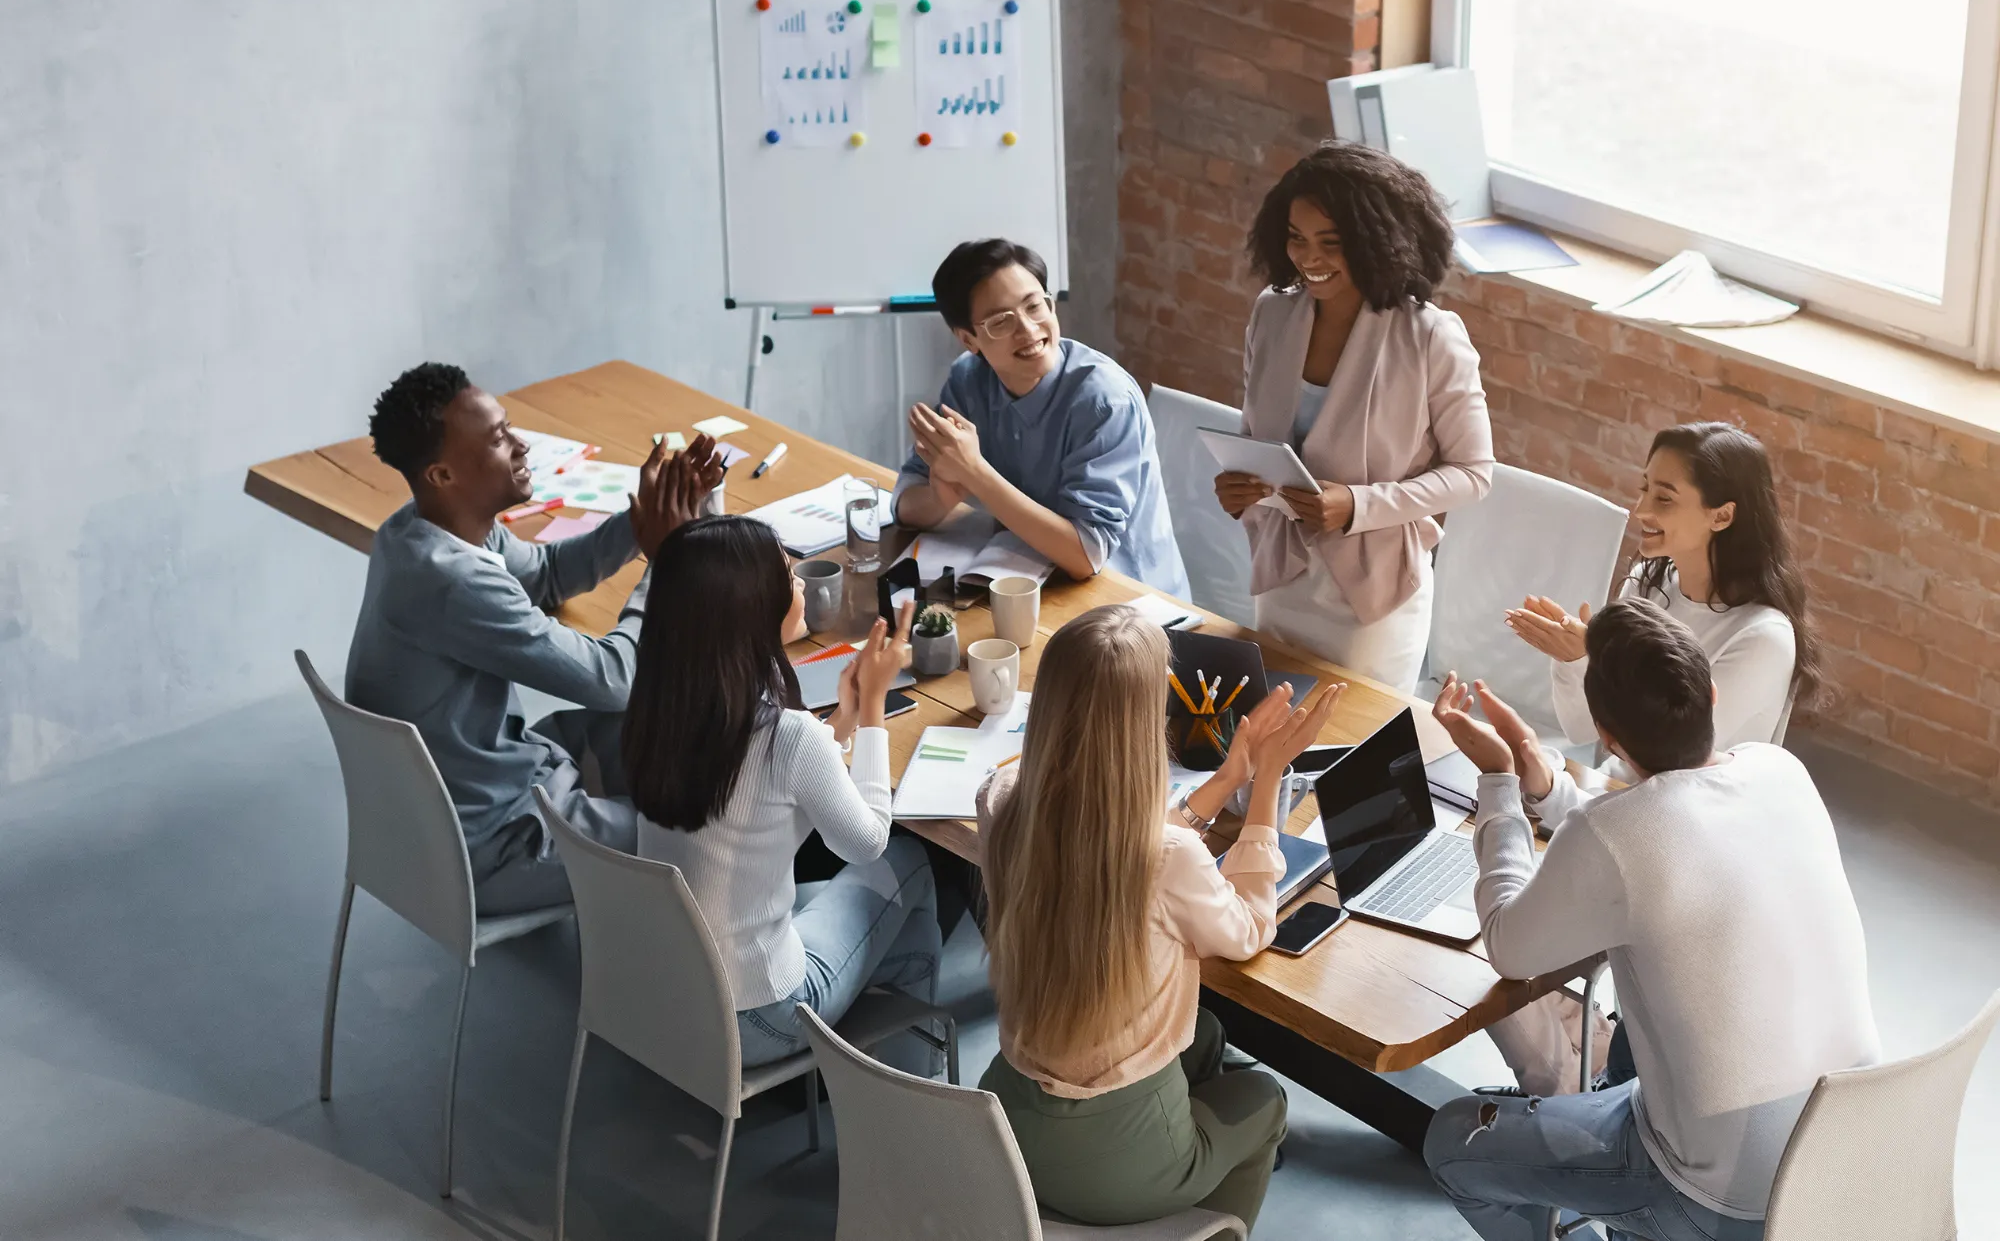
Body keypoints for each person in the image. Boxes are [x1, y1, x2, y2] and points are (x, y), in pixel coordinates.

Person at [1423, 600, 1879, 1241]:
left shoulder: (1615, 836)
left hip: (1718, 1198)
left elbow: (1508, 944)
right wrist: (1541, 777)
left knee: (1450, 1138)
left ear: (1606, 736)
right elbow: (1662, 837)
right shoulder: (1781, 771)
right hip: (1838, 1161)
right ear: (1712, 696)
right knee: (1638, 1046)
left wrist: (1499, 781)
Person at [977, 604, 1340, 1230]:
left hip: (1003, 1121)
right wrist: (1268, 784)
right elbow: (1249, 932)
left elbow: (1111, 843)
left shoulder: (1003, 801)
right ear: (1145, 723)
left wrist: (1229, 777)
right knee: (1263, 1101)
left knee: (1203, 1036)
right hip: (1114, 1162)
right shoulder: (1170, 858)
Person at [345, 362, 723, 915]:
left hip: (483, 782)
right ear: (443, 475)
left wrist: (641, 521)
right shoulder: (452, 583)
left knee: (674, 734)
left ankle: (640, 836)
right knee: (702, 836)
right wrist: (666, 561)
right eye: (498, 439)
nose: (521, 446)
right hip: (493, 845)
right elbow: (615, 679)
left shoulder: (421, 527)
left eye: (509, 427)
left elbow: (546, 574)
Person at [625, 516, 943, 1070]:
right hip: (761, 1012)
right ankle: (907, 1085)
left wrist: (841, 717)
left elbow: (765, 789)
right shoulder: (784, 736)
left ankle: (874, 1062)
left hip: (670, 996)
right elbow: (867, 841)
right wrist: (872, 707)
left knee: (895, 918)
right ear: (752, 609)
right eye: (788, 577)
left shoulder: (664, 710)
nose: (798, 584)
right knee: (908, 860)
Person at [1215, 141, 1494, 694]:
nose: (1308, 259)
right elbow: (1258, 436)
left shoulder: (1430, 337)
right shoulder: (1272, 313)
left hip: (1373, 597)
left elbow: (1473, 473)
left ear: (1375, 242)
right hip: (1282, 572)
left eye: (1330, 243)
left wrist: (1358, 506)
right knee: (1272, 728)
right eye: (1296, 238)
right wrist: (1238, 487)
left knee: (1351, 749)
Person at [1506, 421, 1821, 829]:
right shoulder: (1645, 583)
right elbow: (1582, 727)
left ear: (1722, 516)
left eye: (1664, 499)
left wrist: (1594, 664)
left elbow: (1669, 764)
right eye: (1644, 488)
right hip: (1617, 800)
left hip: (1690, 832)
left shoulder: (1763, 638)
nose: (1642, 510)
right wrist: (1574, 661)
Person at [894, 239, 1191, 598]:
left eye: (1034, 306)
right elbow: (907, 501)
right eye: (1002, 321)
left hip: (1127, 605)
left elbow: (1087, 554)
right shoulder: (969, 380)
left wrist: (974, 473)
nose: (1029, 330)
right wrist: (941, 498)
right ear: (968, 339)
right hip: (1027, 577)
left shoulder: (1104, 401)